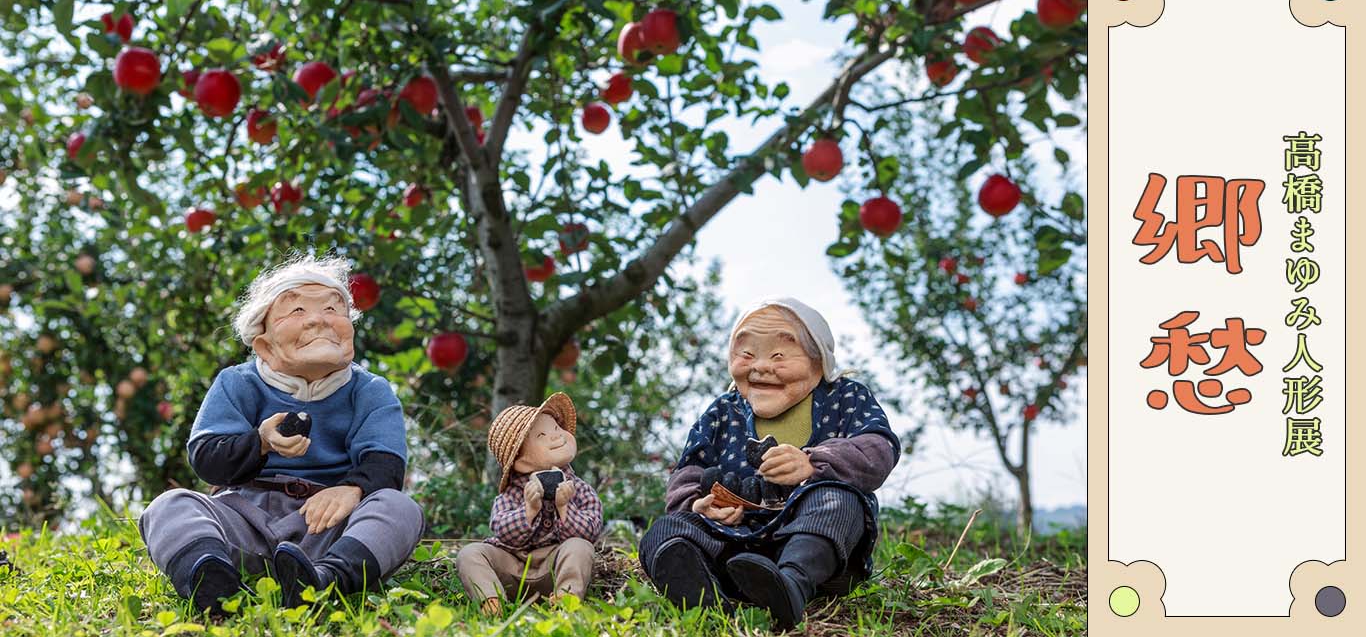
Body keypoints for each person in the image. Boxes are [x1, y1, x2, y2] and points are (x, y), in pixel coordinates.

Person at [137, 253, 424, 615]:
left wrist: (352, 489)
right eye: (298, 312)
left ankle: (325, 581)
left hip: (329, 527)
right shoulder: (237, 383)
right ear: (265, 345)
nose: (319, 320)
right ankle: (210, 577)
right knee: (171, 505)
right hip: (244, 520)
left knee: (400, 508)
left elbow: (386, 461)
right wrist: (259, 441)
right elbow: (207, 460)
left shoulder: (371, 390)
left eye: (334, 310)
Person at [638, 297, 901, 630]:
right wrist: (698, 504)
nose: (760, 366)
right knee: (663, 530)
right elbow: (689, 470)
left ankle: (790, 586)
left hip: (824, 556)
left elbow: (879, 449)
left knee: (839, 501)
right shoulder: (724, 411)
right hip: (734, 547)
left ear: (818, 361)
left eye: (778, 355)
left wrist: (813, 462)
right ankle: (704, 599)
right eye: (746, 355)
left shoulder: (846, 398)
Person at [456, 392, 603, 615]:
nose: (556, 436)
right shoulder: (511, 494)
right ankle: (492, 601)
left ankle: (566, 601)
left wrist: (565, 508)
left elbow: (590, 532)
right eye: (542, 435)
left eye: (556, 428)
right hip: (512, 567)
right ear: (521, 461)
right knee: (470, 553)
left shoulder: (580, 489)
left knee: (580, 547)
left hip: (555, 565)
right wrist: (528, 510)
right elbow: (502, 531)